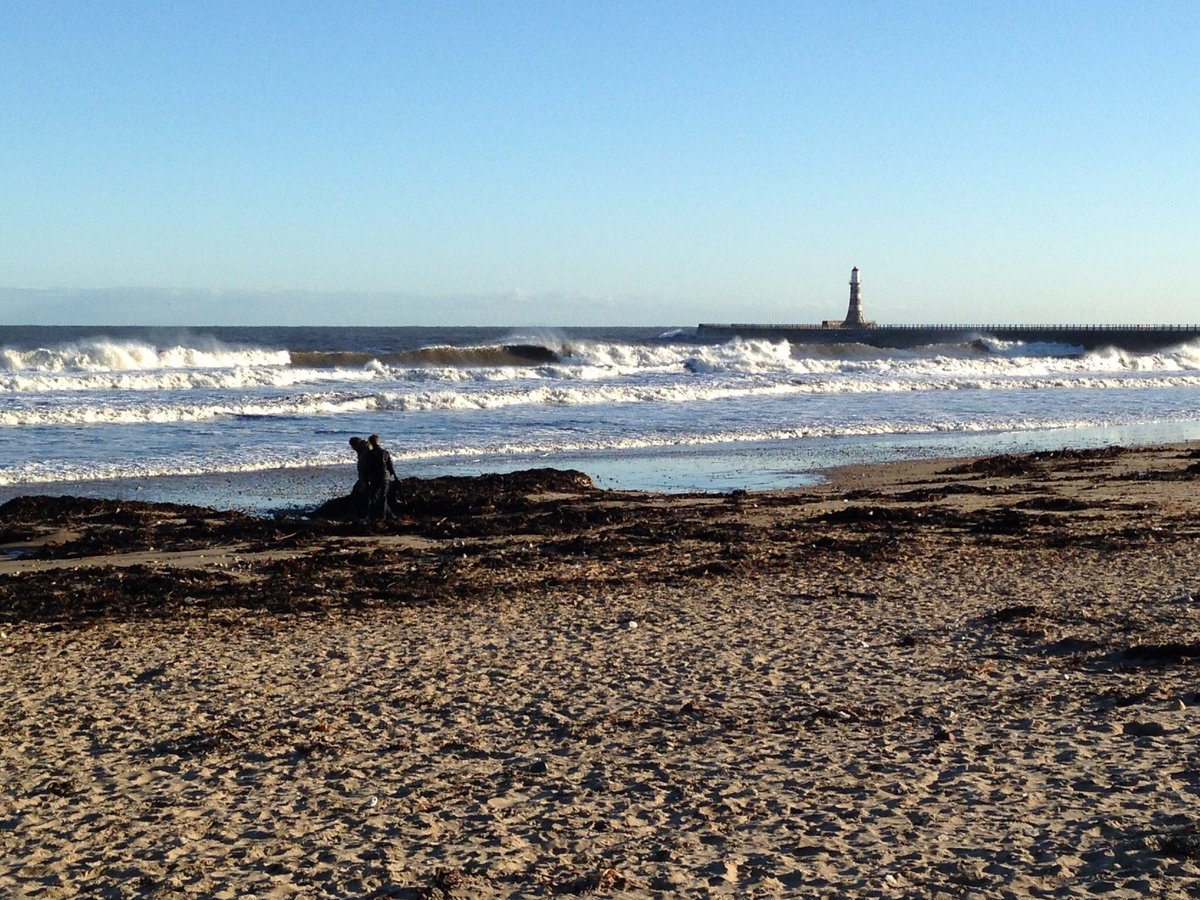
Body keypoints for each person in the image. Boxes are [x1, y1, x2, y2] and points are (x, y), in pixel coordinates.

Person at [364, 434, 397, 519]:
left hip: (375, 477)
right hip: (385, 477)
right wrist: (394, 476)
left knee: (373, 497)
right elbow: (390, 466)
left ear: (371, 443)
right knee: (383, 497)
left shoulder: (369, 454)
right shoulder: (385, 453)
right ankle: (383, 517)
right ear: (379, 442)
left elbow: (367, 467)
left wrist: (366, 480)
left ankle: (370, 515)